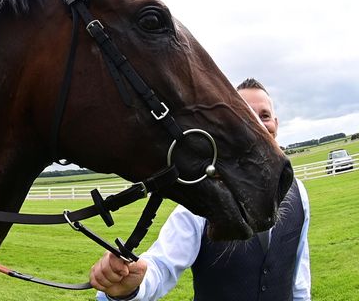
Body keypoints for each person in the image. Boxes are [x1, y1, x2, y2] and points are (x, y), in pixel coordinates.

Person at [90, 78, 311, 301]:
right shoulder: (204, 201)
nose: (258, 126)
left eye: (264, 116)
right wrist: (133, 286)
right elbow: (163, 264)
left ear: (276, 123)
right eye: (247, 117)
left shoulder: (298, 193)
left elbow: (299, 282)